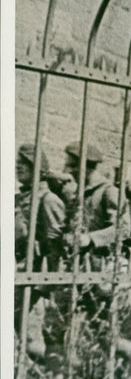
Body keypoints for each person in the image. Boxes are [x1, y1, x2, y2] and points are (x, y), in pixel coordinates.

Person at [60, 141, 131, 379]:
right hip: (77, 270)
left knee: (104, 332)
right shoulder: (78, 193)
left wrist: (90, 239)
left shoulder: (109, 192)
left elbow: (123, 229)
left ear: (86, 167)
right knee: (58, 324)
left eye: (72, 166)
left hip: (101, 270)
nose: (67, 170)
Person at [14, 144, 66, 364]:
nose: (18, 167)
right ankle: (45, 364)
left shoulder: (48, 200)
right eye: (17, 163)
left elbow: (56, 245)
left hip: (43, 275)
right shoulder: (21, 198)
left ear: (36, 167)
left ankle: (57, 373)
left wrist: (51, 284)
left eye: (23, 164)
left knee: (52, 328)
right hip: (22, 270)